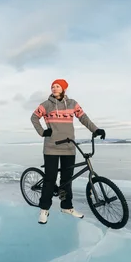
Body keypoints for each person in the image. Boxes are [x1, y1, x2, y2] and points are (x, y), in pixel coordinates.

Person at [30, 79, 105, 224]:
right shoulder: (46, 105)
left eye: (57, 86)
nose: (54, 88)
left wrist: (95, 129)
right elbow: (34, 117)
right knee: (50, 179)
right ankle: (44, 209)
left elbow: (83, 118)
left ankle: (66, 206)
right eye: (52, 86)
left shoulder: (72, 104)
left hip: (69, 147)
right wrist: (42, 132)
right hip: (51, 146)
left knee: (66, 179)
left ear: (64, 88)